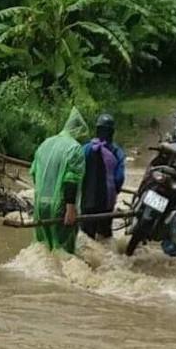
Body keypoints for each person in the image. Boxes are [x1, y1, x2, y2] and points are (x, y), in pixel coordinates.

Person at [30, 107, 89, 254]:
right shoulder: (74, 149)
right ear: (78, 131)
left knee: (43, 249)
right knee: (63, 252)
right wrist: (70, 209)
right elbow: (71, 179)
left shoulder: (45, 144)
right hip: (60, 208)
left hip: (39, 206)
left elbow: (33, 174)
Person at [81, 113, 126, 240]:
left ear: (97, 130)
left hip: (87, 203)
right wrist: (114, 191)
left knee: (86, 239)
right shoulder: (117, 152)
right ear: (112, 132)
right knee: (105, 239)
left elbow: (76, 172)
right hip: (106, 205)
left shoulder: (85, 149)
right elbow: (119, 178)